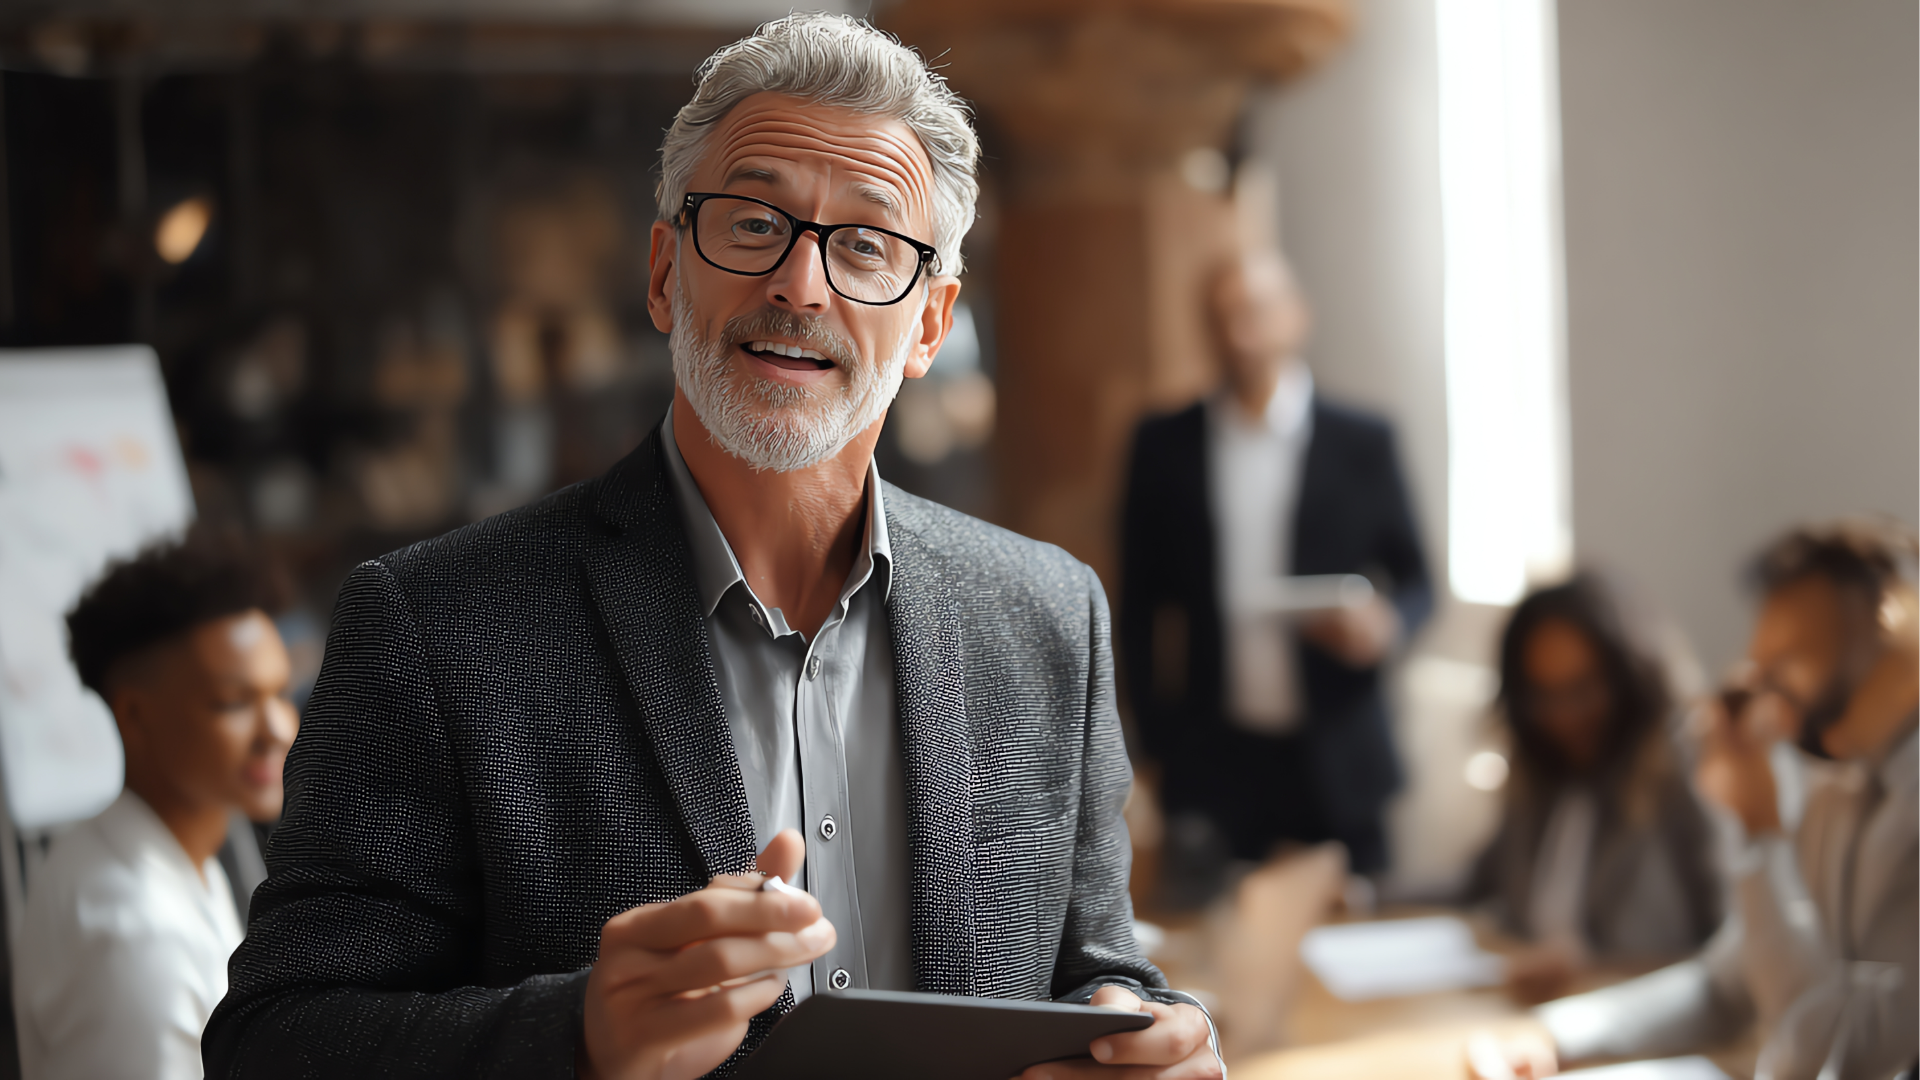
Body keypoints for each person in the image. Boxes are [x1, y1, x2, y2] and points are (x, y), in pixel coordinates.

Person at [205, 15, 1220, 1080]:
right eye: (750, 223)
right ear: (662, 273)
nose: (801, 284)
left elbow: (1099, 974)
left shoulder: (1051, 615)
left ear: (929, 324)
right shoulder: (436, 627)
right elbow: (277, 1041)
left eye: (867, 243)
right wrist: (584, 1034)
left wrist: (1151, 1033)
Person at [1480, 520, 1918, 1080]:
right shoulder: (1836, 786)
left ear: (1894, 624)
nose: (1759, 686)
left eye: (1786, 659)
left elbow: (1832, 1055)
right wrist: (1554, 1035)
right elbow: (1724, 983)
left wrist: (1761, 832)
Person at [1120, 249, 1432, 894]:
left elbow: (1419, 580)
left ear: (1296, 317)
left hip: (1339, 747)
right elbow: (1139, 605)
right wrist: (1156, 743)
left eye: (1255, 313)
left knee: (1355, 954)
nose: (1240, 335)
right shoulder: (1163, 445)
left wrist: (1387, 627)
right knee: (1212, 956)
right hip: (1216, 757)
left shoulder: (1363, 441)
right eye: (1222, 318)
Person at [17, 529, 298, 1080]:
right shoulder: (135, 931)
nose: (278, 729)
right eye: (234, 702)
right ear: (135, 715)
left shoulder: (164, 861)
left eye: (281, 694)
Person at [1466, 573, 1722, 1002]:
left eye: (1581, 690)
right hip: (1535, 1014)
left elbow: (1732, 951)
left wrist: (1595, 967)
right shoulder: (1542, 776)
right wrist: (1362, 892)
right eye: (1544, 696)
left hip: (1638, 1026)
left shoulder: (1683, 772)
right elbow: (1476, 879)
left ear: (1629, 677)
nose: (1564, 716)